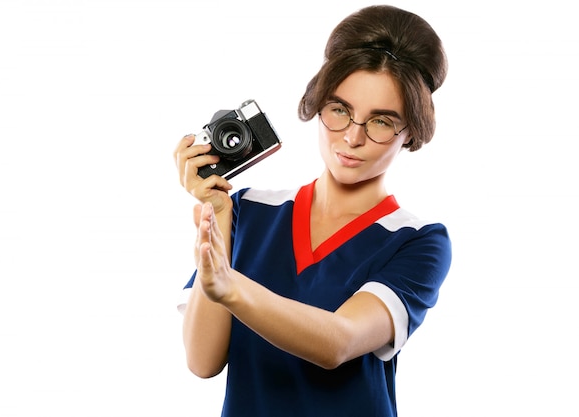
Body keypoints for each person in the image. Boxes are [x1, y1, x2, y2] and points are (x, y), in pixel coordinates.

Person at [173, 5, 451, 416]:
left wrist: (232, 287)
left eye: (381, 121)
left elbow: (337, 343)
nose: (352, 137)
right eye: (339, 110)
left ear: (410, 132)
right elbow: (202, 362)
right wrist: (220, 212)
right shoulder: (247, 210)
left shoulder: (419, 241)